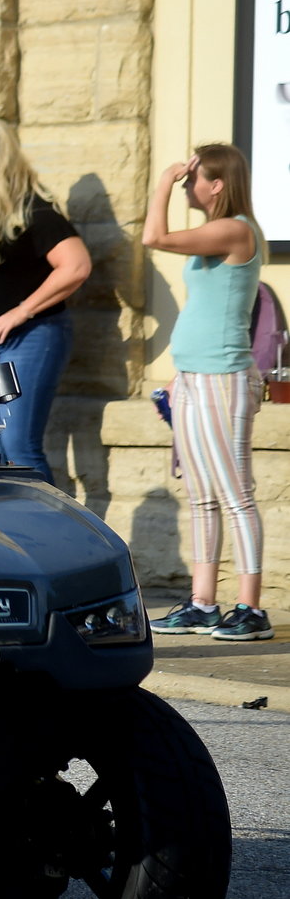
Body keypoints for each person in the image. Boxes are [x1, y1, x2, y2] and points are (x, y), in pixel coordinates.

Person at [144, 144, 272, 641]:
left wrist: (161, 182)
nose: (185, 182)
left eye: (193, 175)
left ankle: (250, 609)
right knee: (200, 498)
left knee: (236, 494)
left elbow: (154, 236)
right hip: (195, 378)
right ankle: (201, 603)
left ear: (217, 184)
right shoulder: (215, 233)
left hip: (225, 379)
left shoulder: (235, 229)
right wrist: (180, 375)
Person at [0, 119, 91, 484]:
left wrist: (20, 311)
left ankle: (52, 537)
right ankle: (7, 530)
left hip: (30, 337)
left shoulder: (35, 210)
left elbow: (76, 266)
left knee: (18, 445)